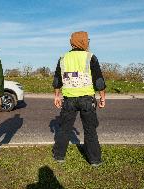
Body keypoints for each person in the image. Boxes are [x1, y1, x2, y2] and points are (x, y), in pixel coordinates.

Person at [52, 31, 106, 167]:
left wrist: (57, 96)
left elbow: (57, 80)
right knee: (90, 130)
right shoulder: (90, 57)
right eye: (87, 39)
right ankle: (94, 160)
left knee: (65, 128)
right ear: (83, 41)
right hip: (87, 100)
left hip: (69, 99)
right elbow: (99, 80)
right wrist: (102, 97)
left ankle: (59, 156)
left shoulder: (63, 58)